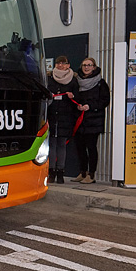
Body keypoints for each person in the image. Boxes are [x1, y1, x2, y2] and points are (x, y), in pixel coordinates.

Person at [72, 57, 110, 184]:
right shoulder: (77, 82)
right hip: (80, 120)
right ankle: (82, 172)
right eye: (84, 65)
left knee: (91, 147)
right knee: (80, 148)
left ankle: (91, 174)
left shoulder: (100, 83)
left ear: (94, 67)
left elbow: (105, 100)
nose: (86, 67)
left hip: (94, 121)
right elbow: (75, 97)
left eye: (89, 65)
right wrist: (77, 104)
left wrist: (90, 106)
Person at [47, 56, 79, 184]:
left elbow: (78, 98)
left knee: (61, 145)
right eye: (58, 63)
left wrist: (73, 96)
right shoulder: (49, 78)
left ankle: (60, 172)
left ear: (68, 65)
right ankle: (51, 172)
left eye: (63, 63)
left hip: (66, 117)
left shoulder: (73, 80)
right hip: (52, 115)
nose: (60, 65)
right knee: (51, 145)